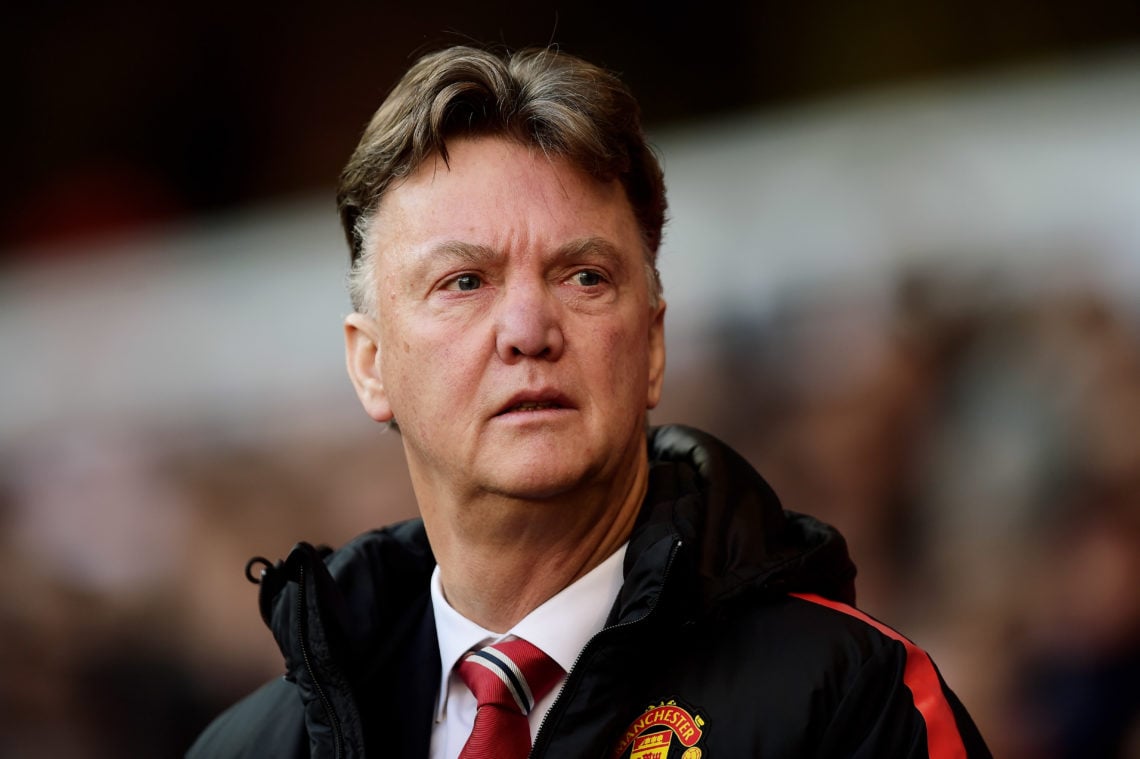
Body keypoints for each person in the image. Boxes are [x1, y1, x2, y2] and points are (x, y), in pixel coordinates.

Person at [188, 45, 991, 758]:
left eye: (585, 277)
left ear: (652, 346)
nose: (529, 329)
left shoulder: (849, 700)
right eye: (464, 281)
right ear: (370, 365)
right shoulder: (245, 747)